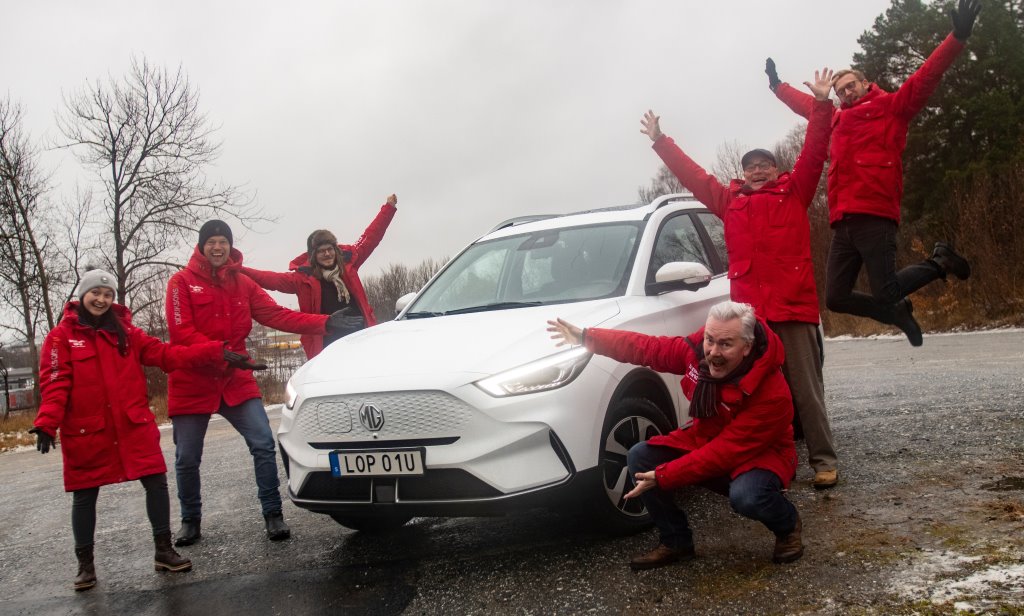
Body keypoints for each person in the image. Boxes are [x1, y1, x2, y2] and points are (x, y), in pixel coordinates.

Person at [639, 69, 839, 489]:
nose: (758, 171)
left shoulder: (795, 192)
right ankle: (758, 458)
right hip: (750, 319)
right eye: (751, 167)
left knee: (805, 390)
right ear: (743, 173)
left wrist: (822, 105)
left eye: (765, 165)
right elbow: (693, 176)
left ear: (776, 170)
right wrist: (660, 140)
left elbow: (815, 150)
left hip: (793, 308)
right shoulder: (729, 202)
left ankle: (823, 460)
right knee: (749, 392)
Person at [764, 0, 981, 346]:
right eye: (840, 91)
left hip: (875, 214)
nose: (846, 92)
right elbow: (807, 105)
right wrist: (777, 86)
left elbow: (926, 76)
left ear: (866, 83)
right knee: (835, 297)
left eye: (851, 85)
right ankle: (895, 312)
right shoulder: (834, 119)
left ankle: (940, 261)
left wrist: (957, 37)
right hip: (842, 221)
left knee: (886, 290)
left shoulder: (892, 108)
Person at [30, 269, 257, 591]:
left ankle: (163, 551)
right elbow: (55, 383)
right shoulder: (60, 337)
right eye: (96, 293)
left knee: (156, 483)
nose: (101, 299)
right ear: (83, 295)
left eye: (107, 295)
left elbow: (167, 354)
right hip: (88, 431)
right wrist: (46, 423)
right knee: (84, 495)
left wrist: (215, 351)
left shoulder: (127, 333)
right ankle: (85, 566)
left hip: (132, 425)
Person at [547, 301, 802, 569]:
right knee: (640, 457)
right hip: (706, 439)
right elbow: (647, 348)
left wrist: (664, 475)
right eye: (710, 340)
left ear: (747, 347)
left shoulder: (773, 395)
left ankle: (788, 525)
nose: (713, 352)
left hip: (760, 455)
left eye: (725, 344)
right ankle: (676, 541)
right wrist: (588, 337)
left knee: (747, 496)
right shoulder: (696, 353)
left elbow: (724, 452)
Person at [166, 220, 354, 545]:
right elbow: (181, 333)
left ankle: (273, 514)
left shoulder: (243, 283)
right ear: (202, 246)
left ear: (229, 246)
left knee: (264, 443)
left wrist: (326, 323)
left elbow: (277, 315)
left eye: (223, 242)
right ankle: (190, 520)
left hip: (235, 377)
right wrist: (219, 352)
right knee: (187, 457)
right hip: (192, 379)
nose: (217, 247)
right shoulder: (180, 283)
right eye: (211, 242)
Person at [241, 194, 398, 359]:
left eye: (330, 249)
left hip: (361, 339)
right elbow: (269, 279)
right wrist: (237, 269)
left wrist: (388, 208)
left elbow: (370, 237)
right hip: (326, 349)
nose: (327, 254)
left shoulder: (349, 263)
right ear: (313, 256)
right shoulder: (302, 279)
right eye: (321, 251)